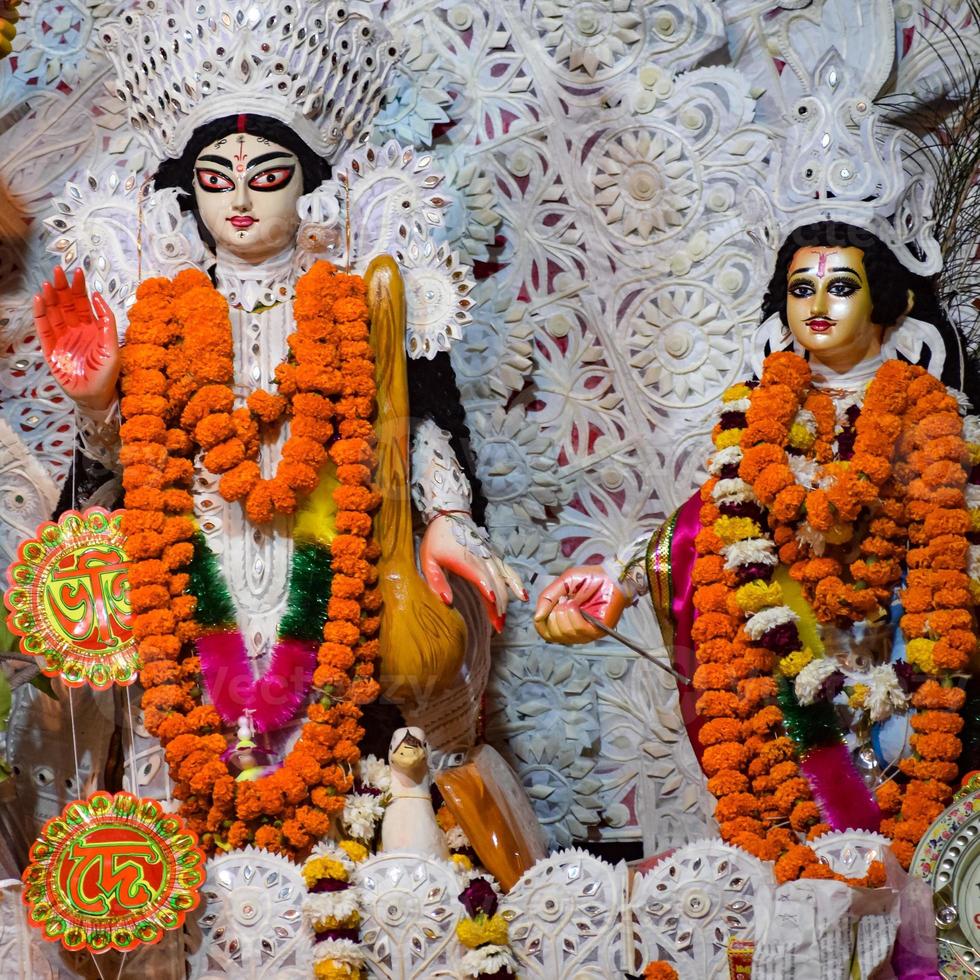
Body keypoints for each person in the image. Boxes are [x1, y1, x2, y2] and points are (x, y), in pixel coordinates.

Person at [28, 10, 524, 853]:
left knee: (344, 797)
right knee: (193, 767)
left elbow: (411, 424)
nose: (244, 199)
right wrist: (97, 396)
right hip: (192, 572)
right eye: (217, 179)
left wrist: (445, 520)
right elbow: (123, 467)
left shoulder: (350, 299)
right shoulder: (161, 311)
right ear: (191, 192)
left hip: (329, 562)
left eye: (268, 174)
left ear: (309, 184)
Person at [535, 220, 980, 870]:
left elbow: (956, 537)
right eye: (802, 287)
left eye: (842, 286)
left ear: (891, 301)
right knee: (810, 873)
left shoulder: (939, 421)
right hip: (794, 686)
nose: (818, 305)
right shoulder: (759, 425)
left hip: (911, 684)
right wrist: (621, 579)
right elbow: (707, 523)